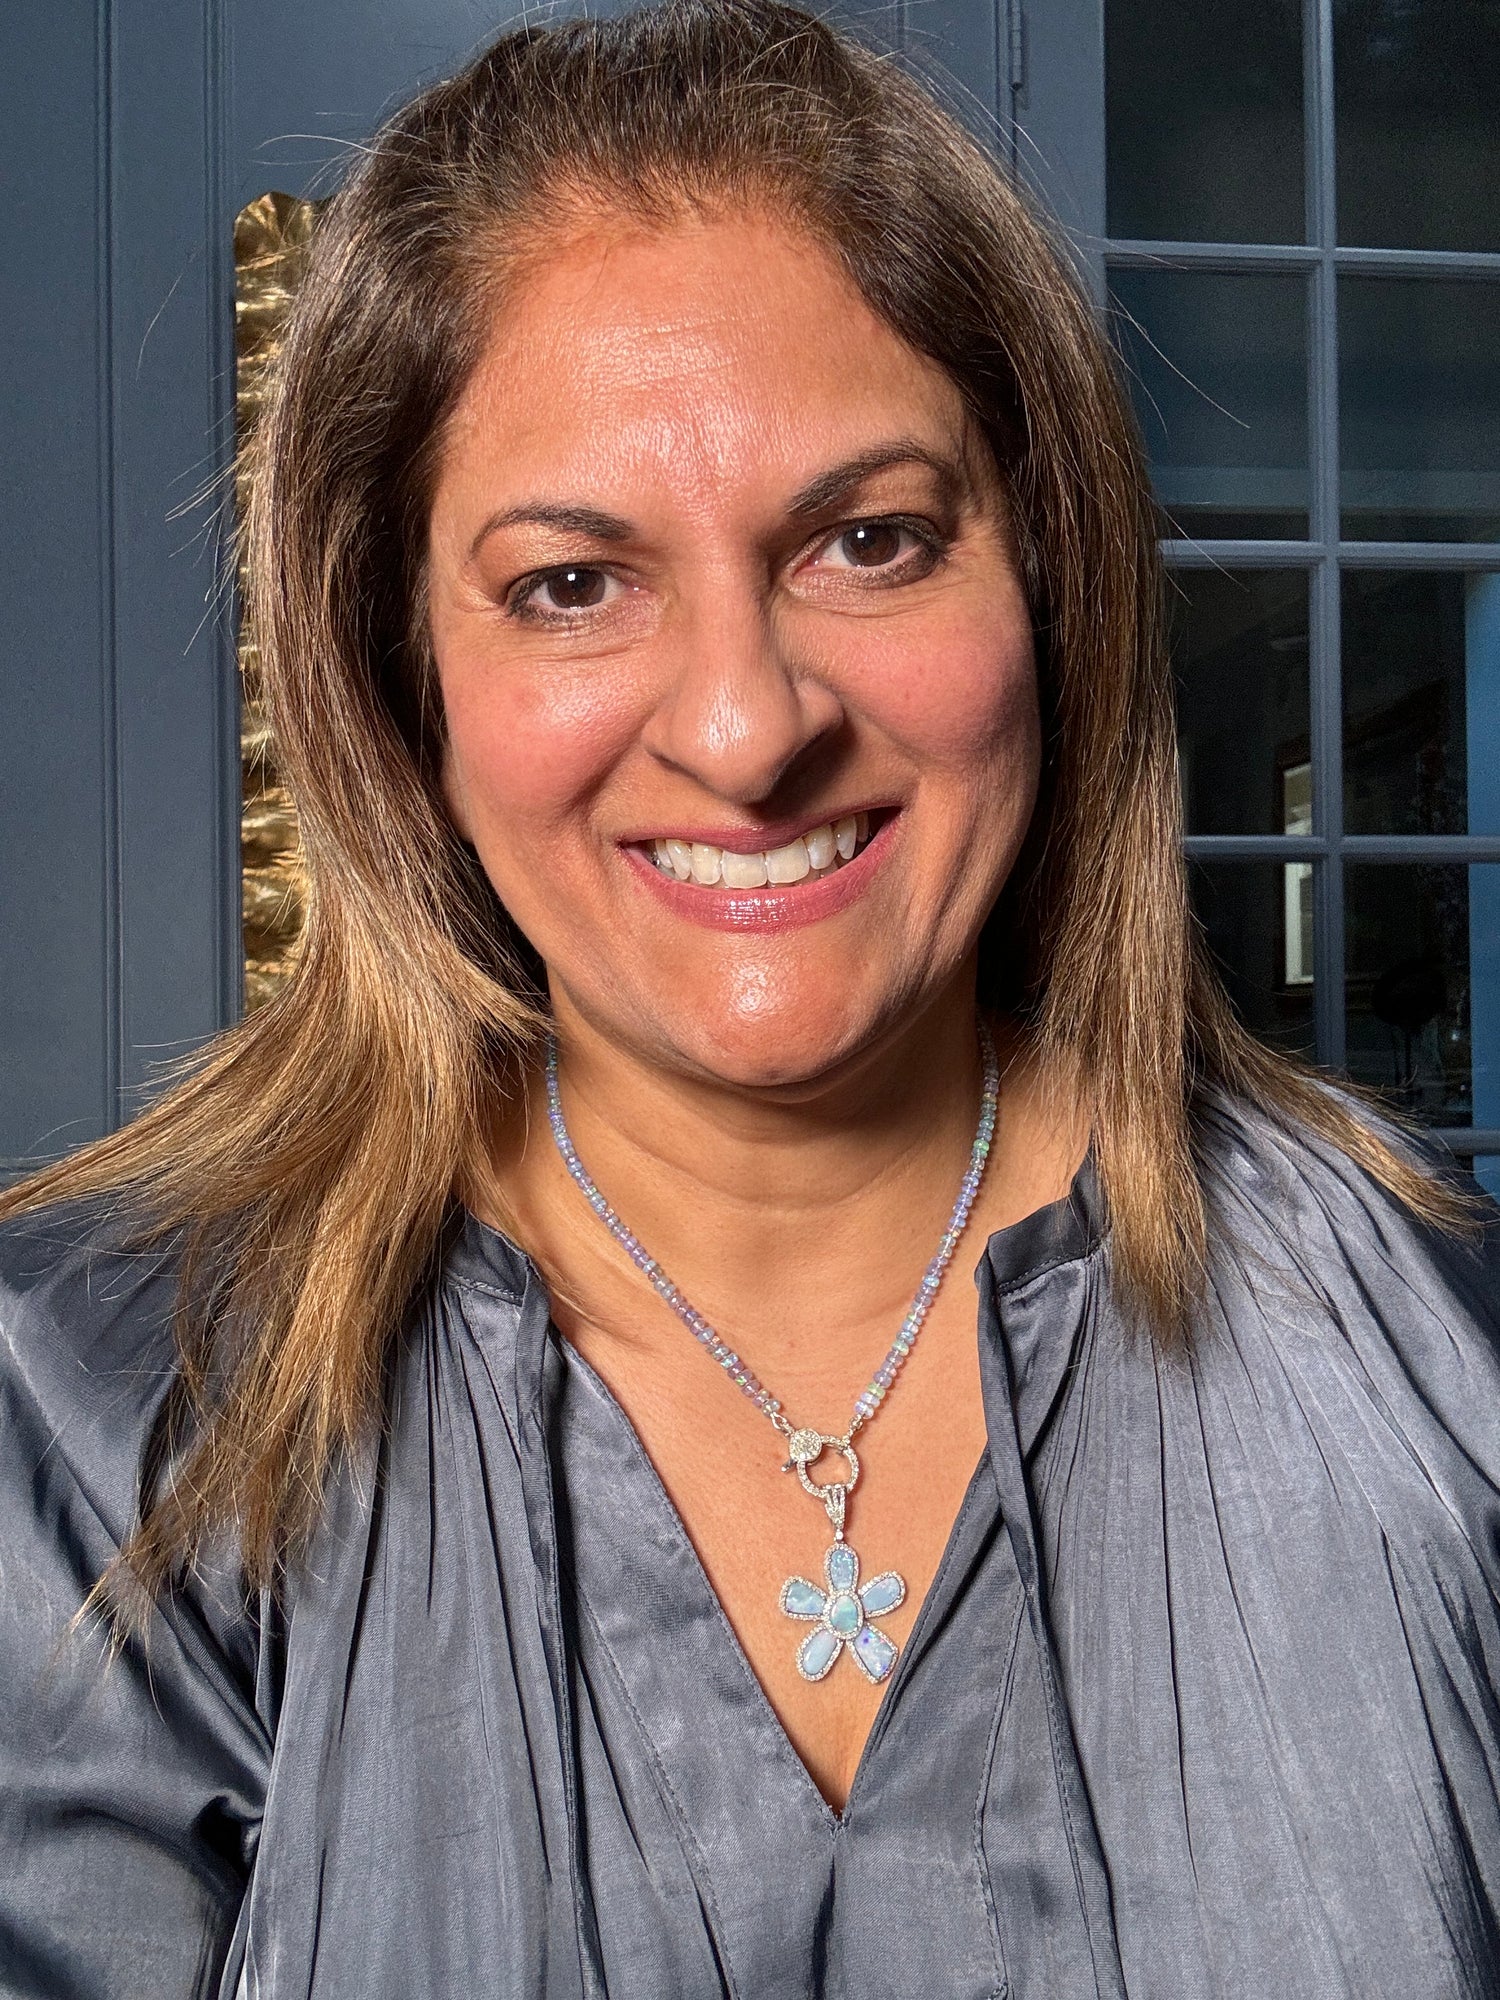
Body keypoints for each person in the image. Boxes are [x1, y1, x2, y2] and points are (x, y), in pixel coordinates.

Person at [3, 1, 1500, 1993]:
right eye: (571, 582)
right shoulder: (94, 1420)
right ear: (399, 681)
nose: (744, 727)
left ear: (1050, 588)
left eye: (870, 542)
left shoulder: (1439, 1358)